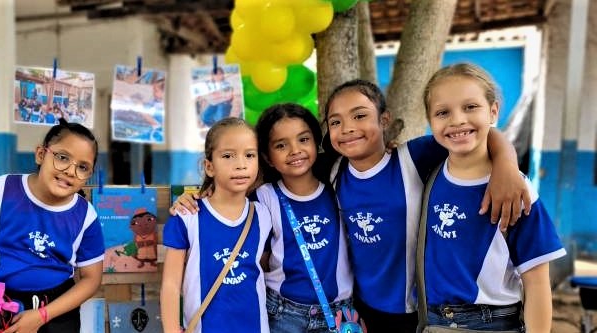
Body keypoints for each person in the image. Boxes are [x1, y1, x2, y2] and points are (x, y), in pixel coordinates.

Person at [323, 79, 530, 333]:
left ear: (384, 119)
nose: (347, 128)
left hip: (419, 313)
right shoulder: (334, 172)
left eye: (360, 116)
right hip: (361, 310)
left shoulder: (414, 157)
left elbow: (486, 135)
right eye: (336, 122)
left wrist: (507, 165)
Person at [171, 104, 354, 332]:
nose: (294, 150)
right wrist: (191, 198)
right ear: (266, 157)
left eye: (304, 139)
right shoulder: (264, 197)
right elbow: (226, 199)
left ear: (316, 142)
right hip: (283, 313)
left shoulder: (338, 183)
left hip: (338, 314)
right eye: (281, 145)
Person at [421, 63, 565, 331]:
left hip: (492, 323)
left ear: (494, 111)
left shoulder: (517, 191)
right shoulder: (427, 170)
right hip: (432, 321)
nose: (457, 120)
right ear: (430, 122)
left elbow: (536, 282)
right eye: (442, 112)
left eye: (470, 107)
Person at [0, 118, 104, 333]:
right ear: (41, 155)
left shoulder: (85, 215)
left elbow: (91, 279)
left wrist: (43, 315)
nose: (71, 171)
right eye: (62, 157)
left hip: (57, 311)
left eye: (82, 167)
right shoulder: (0, 190)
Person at [161, 117, 272, 333]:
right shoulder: (187, 216)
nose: (241, 164)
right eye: (228, 156)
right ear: (209, 167)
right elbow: (171, 285)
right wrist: (172, 329)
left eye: (249, 155)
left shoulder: (263, 214)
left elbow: (265, 267)